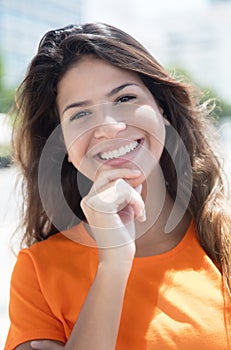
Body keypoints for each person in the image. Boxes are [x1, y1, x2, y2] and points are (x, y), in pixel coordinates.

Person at [5, 23, 231, 350]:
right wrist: (114, 263)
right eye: (80, 114)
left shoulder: (223, 240)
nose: (108, 128)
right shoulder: (39, 274)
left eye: (124, 97)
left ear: (162, 110)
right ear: (62, 145)